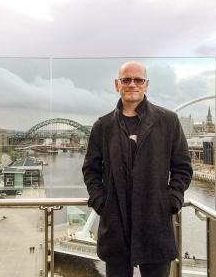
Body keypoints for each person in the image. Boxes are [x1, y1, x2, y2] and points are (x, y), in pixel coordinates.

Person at [82, 61, 193, 277]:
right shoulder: (102, 126)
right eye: (126, 80)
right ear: (117, 84)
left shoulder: (168, 121)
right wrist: (102, 203)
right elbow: (91, 170)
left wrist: (171, 200)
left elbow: (182, 167)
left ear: (146, 84)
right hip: (116, 226)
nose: (132, 84)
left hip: (156, 225)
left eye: (138, 80)